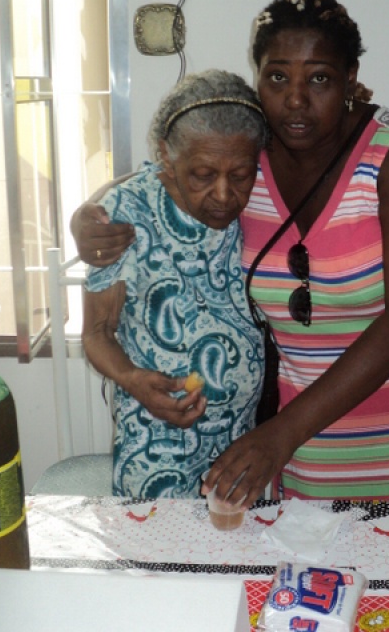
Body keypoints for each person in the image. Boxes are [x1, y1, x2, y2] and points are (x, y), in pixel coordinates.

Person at [73, 0, 389, 506]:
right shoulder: (247, 157)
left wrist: (279, 434)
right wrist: (88, 215)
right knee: (314, 581)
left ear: (351, 78)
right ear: (258, 77)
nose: (296, 100)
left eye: (320, 78)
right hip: (311, 445)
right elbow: (161, 176)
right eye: (278, 77)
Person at [80, 69, 267, 499]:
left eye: (240, 175)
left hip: (243, 441)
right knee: (158, 561)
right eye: (203, 174)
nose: (224, 194)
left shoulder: (261, 197)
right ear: (167, 155)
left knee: (238, 559)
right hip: (156, 441)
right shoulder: (125, 212)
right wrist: (131, 378)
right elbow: (96, 331)